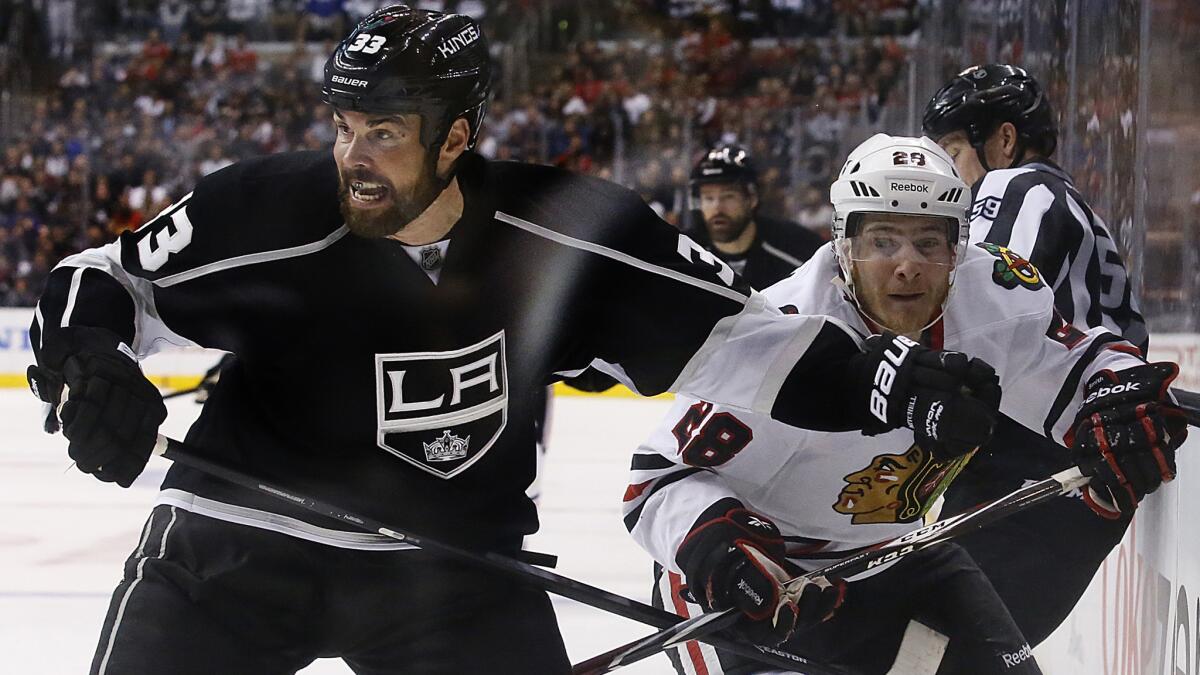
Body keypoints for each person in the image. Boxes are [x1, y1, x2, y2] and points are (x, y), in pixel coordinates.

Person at [23, 8, 999, 675]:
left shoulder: (566, 236)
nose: (354, 159)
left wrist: (894, 384)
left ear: (457, 140)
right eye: (345, 127)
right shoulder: (270, 209)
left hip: (448, 570)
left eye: (387, 133)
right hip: (238, 543)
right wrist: (88, 366)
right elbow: (96, 281)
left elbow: (747, 344)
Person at [625, 134, 1187, 675]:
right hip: (762, 582)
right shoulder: (783, 335)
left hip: (890, 551)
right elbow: (653, 484)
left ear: (957, 247)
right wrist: (718, 551)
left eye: (929, 243)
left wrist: (1115, 394)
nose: (907, 265)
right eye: (883, 241)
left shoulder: (993, 294)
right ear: (844, 246)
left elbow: (1080, 366)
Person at [922, 63, 1151, 645]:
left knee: (928, 644)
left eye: (952, 149)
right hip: (1079, 464)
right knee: (956, 649)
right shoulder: (1067, 202)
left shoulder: (1016, 187)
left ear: (1002, 139)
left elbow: (983, 305)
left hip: (1039, 459)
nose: (944, 170)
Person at [685, 144, 826, 290]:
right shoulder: (681, 253)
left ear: (751, 199)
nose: (717, 208)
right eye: (708, 198)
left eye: (728, 196)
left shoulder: (798, 248)